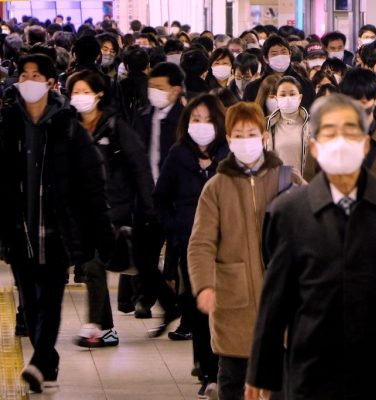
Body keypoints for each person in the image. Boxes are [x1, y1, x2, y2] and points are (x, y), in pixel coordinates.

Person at [245, 93, 376, 400]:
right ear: (314, 147)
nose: (341, 141)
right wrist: (261, 372)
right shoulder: (289, 211)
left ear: (365, 143)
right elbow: (276, 299)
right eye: (330, 132)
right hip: (313, 365)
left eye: (350, 131)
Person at [0, 53, 114, 393]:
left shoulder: (68, 127)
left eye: (37, 75)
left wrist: (102, 232)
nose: (29, 81)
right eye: (24, 74)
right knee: (30, 303)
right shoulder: (8, 124)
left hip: (58, 230)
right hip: (19, 230)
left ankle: (39, 363)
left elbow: (92, 183)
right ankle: (46, 362)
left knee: (49, 299)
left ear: (51, 83)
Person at [187, 101, 303, 400]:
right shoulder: (216, 187)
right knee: (234, 385)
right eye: (237, 135)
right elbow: (201, 243)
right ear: (228, 140)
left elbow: (314, 233)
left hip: (282, 303)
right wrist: (204, 286)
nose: (245, 140)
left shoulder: (287, 180)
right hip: (233, 304)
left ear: (264, 137)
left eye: (251, 133)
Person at [67, 69, 155, 348]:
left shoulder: (115, 126)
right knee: (103, 263)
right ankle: (164, 293)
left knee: (95, 264)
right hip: (84, 209)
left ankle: (100, 326)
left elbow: (139, 166)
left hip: (114, 207)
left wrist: (148, 207)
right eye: (75, 93)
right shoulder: (71, 127)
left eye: (85, 92)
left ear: (99, 93)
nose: (80, 98)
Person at [154, 94, 229, 398]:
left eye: (207, 119)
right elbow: (160, 199)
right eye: (195, 119)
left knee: (226, 307)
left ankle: (227, 366)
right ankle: (208, 371)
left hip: (229, 243)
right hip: (191, 244)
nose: (201, 125)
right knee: (200, 308)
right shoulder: (178, 155)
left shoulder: (229, 155)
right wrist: (177, 228)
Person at [131, 61, 184, 330]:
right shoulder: (142, 116)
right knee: (142, 258)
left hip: (176, 201)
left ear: (175, 91)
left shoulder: (184, 119)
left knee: (180, 260)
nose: (153, 92)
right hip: (146, 198)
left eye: (159, 88)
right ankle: (169, 303)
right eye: (151, 86)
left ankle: (186, 314)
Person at [243, 35, 315, 108]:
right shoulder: (253, 88)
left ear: (290, 54)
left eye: (284, 52)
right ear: (265, 59)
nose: (280, 56)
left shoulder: (306, 84)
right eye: (274, 54)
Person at [265, 76, 310, 177]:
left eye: (292, 94)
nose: (288, 98)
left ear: (300, 97)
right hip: (277, 186)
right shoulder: (267, 124)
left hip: (306, 186)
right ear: (276, 98)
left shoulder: (310, 124)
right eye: (283, 95)